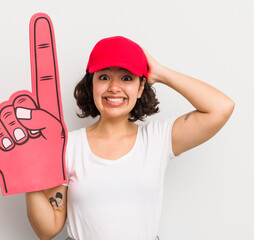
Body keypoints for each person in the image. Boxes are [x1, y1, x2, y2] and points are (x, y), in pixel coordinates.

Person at [25, 36, 235, 240]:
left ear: (140, 87)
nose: (114, 87)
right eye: (104, 77)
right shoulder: (67, 147)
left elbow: (220, 108)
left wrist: (160, 72)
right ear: (91, 85)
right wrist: (23, 174)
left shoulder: (157, 139)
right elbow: (48, 230)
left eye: (127, 78)